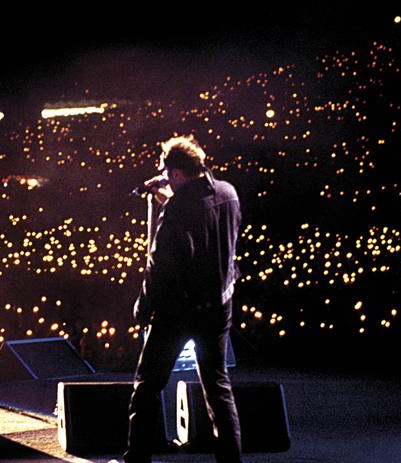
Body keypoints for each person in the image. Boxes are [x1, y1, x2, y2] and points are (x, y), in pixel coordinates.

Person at [124, 135, 243, 463]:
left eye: (166, 173)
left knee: (147, 388)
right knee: (218, 388)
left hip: (178, 312)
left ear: (176, 173)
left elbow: (159, 263)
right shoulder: (229, 193)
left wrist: (144, 306)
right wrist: (167, 204)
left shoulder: (178, 208)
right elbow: (206, 235)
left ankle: (137, 460)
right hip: (219, 306)